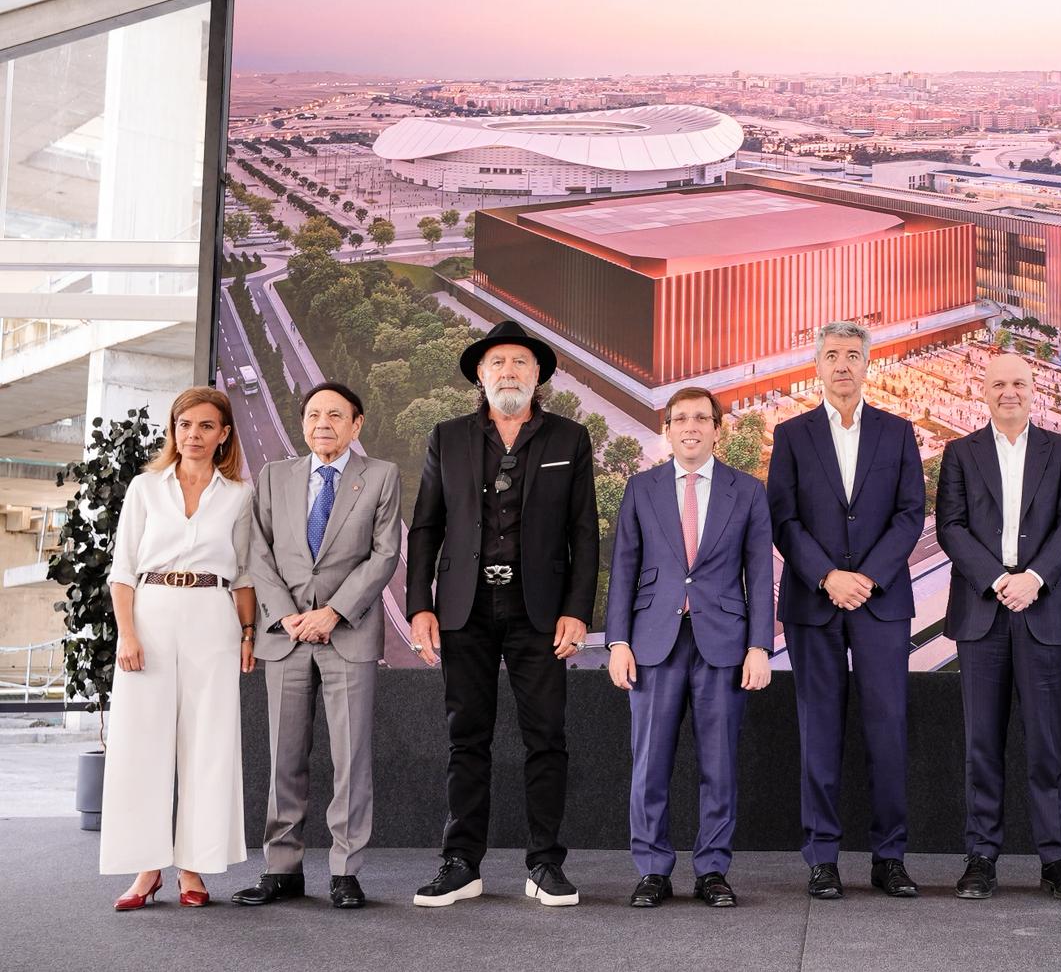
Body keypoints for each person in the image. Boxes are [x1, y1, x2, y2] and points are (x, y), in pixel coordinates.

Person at [406, 320, 599, 908]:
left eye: (520, 363)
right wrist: (419, 605)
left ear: (537, 375)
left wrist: (577, 611)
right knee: (467, 739)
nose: (509, 371)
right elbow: (427, 527)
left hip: (538, 612)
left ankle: (544, 865)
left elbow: (584, 534)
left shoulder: (569, 438)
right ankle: (461, 863)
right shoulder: (449, 436)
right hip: (465, 608)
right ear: (480, 376)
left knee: (546, 739)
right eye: (497, 363)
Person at [767, 321, 924, 900]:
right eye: (831, 355)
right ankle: (823, 858)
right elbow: (783, 519)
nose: (842, 365)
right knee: (820, 732)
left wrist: (868, 578)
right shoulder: (792, 434)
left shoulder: (899, 431)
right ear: (817, 365)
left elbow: (911, 514)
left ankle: (890, 857)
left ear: (867, 365)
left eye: (853, 356)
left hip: (881, 605)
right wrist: (829, 576)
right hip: (815, 602)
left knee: (887, 731)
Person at [231, 382, 402, 911]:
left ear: (357, 424)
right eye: (312, 414)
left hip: (345, 633)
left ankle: (345, 871)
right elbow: (254, 550)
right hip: (284, 637)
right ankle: (281, 869)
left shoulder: (380, 476)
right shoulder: (274, 476)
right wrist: (286, 614)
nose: (321, 423)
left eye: (334, 415)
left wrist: (332, 613)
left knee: (351, 759)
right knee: (284, 757)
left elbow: (384, 554)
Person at [605, 387, 774, 909]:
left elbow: (760, 572)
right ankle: (653, 869)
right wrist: (617, 641)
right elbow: (624, 570)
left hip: (723, 646)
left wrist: (759, 647)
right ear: (669, 429)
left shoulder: (746, 491)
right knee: (649, 763)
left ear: (717, 429)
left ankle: (713, 870)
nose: (691, 427)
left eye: (702, 418)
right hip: (653, 643)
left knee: (718, 766)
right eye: (681, 419)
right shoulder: (641, 488)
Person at [933, 353, 1061, 902]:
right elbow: (950, 527)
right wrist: (997, 580)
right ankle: (981, 858)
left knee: (1047, 744)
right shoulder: (959, 452)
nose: (1009, 392)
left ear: (1034, 389)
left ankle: (1056, 861)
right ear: (984, 390)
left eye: (1018, 383)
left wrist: (1035, 579)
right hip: (983, 613)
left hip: (1041, 611)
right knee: (982, 742)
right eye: (998, 383)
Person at [101, 386, 257, 910]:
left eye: (206, 426)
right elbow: (123, 570)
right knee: (142, 743)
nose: (194, 434)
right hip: (150, 615)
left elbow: (244, 574)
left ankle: (192, 867)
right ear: (174, 430)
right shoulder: (145, 489)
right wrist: (127, 633)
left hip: (213, 620)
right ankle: (148, 869)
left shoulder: (237, 495)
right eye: (185, 424)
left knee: (207, 744)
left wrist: (248, 633)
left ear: (224, 434)